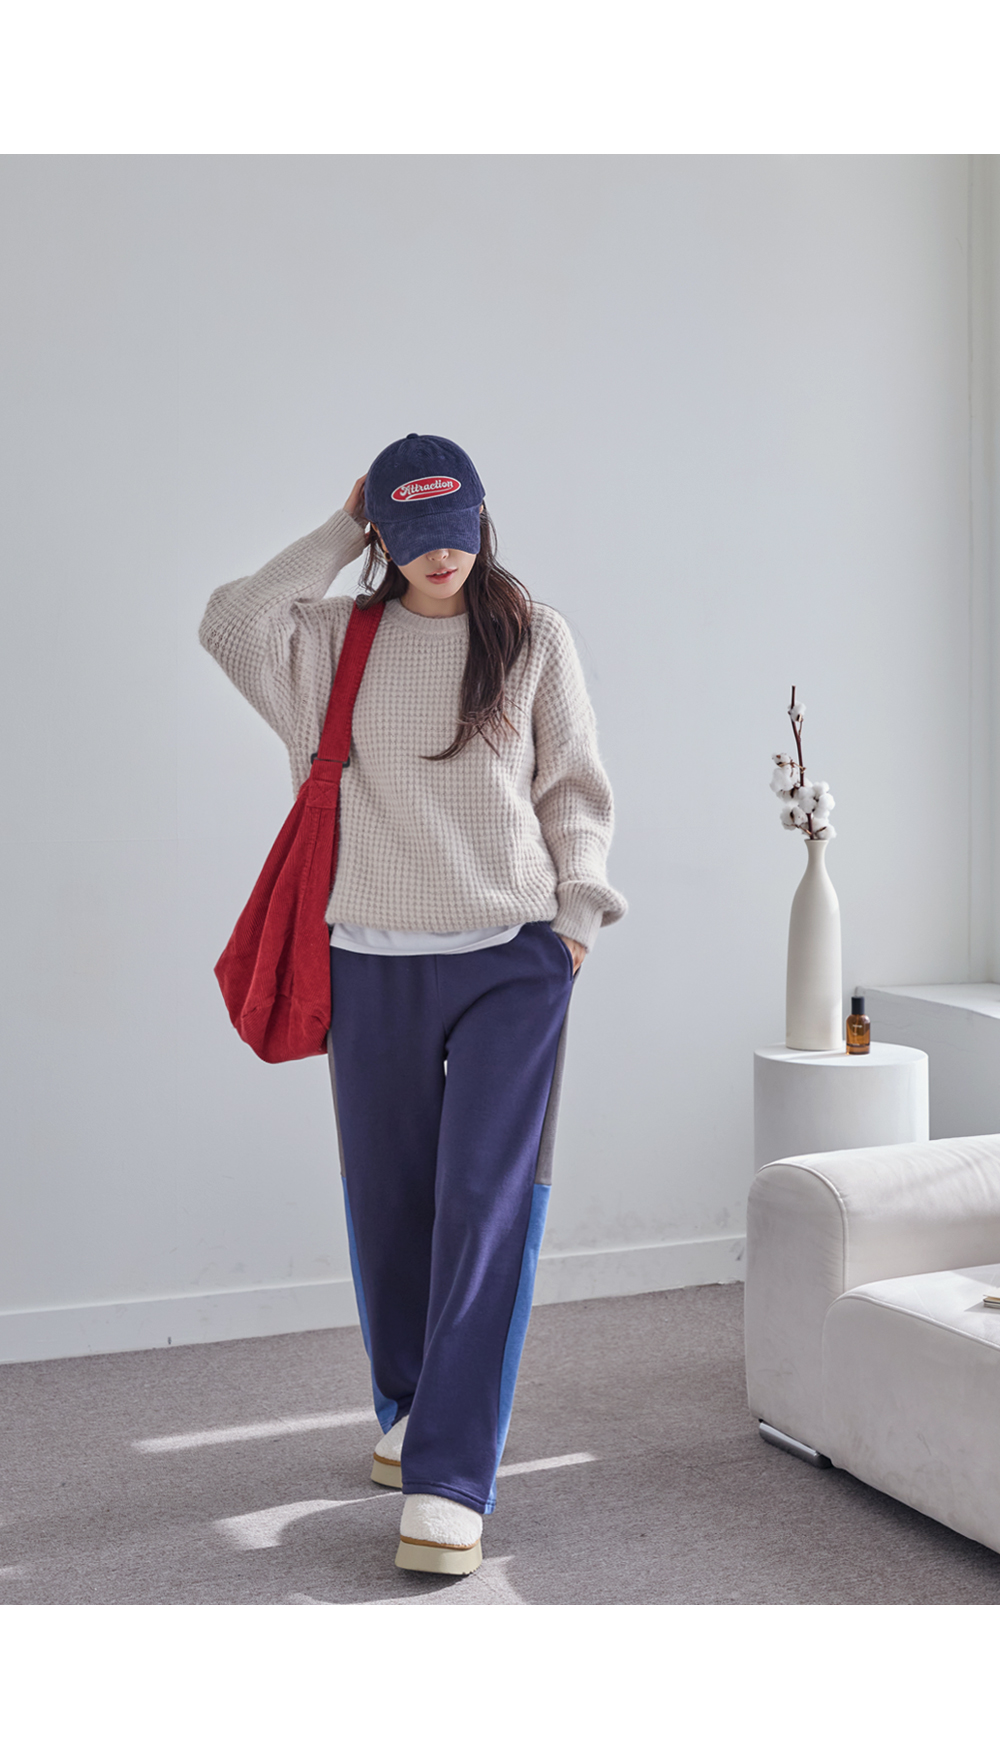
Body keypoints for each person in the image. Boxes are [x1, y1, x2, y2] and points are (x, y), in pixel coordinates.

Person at [200, 433, 626, 1576]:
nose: (443, 557)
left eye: (458, 531)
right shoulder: (332, 641)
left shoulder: (531, 635)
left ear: (483, 519)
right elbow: (229, 623)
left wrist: (576, 918)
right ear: (383, 534)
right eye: (414, 536)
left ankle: (449, 1479)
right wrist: (339, 527)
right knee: (389, 1202)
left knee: (485, 1207)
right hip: (370, 959)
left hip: (513, 962)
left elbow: (572, 786)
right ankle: (407, 1406)